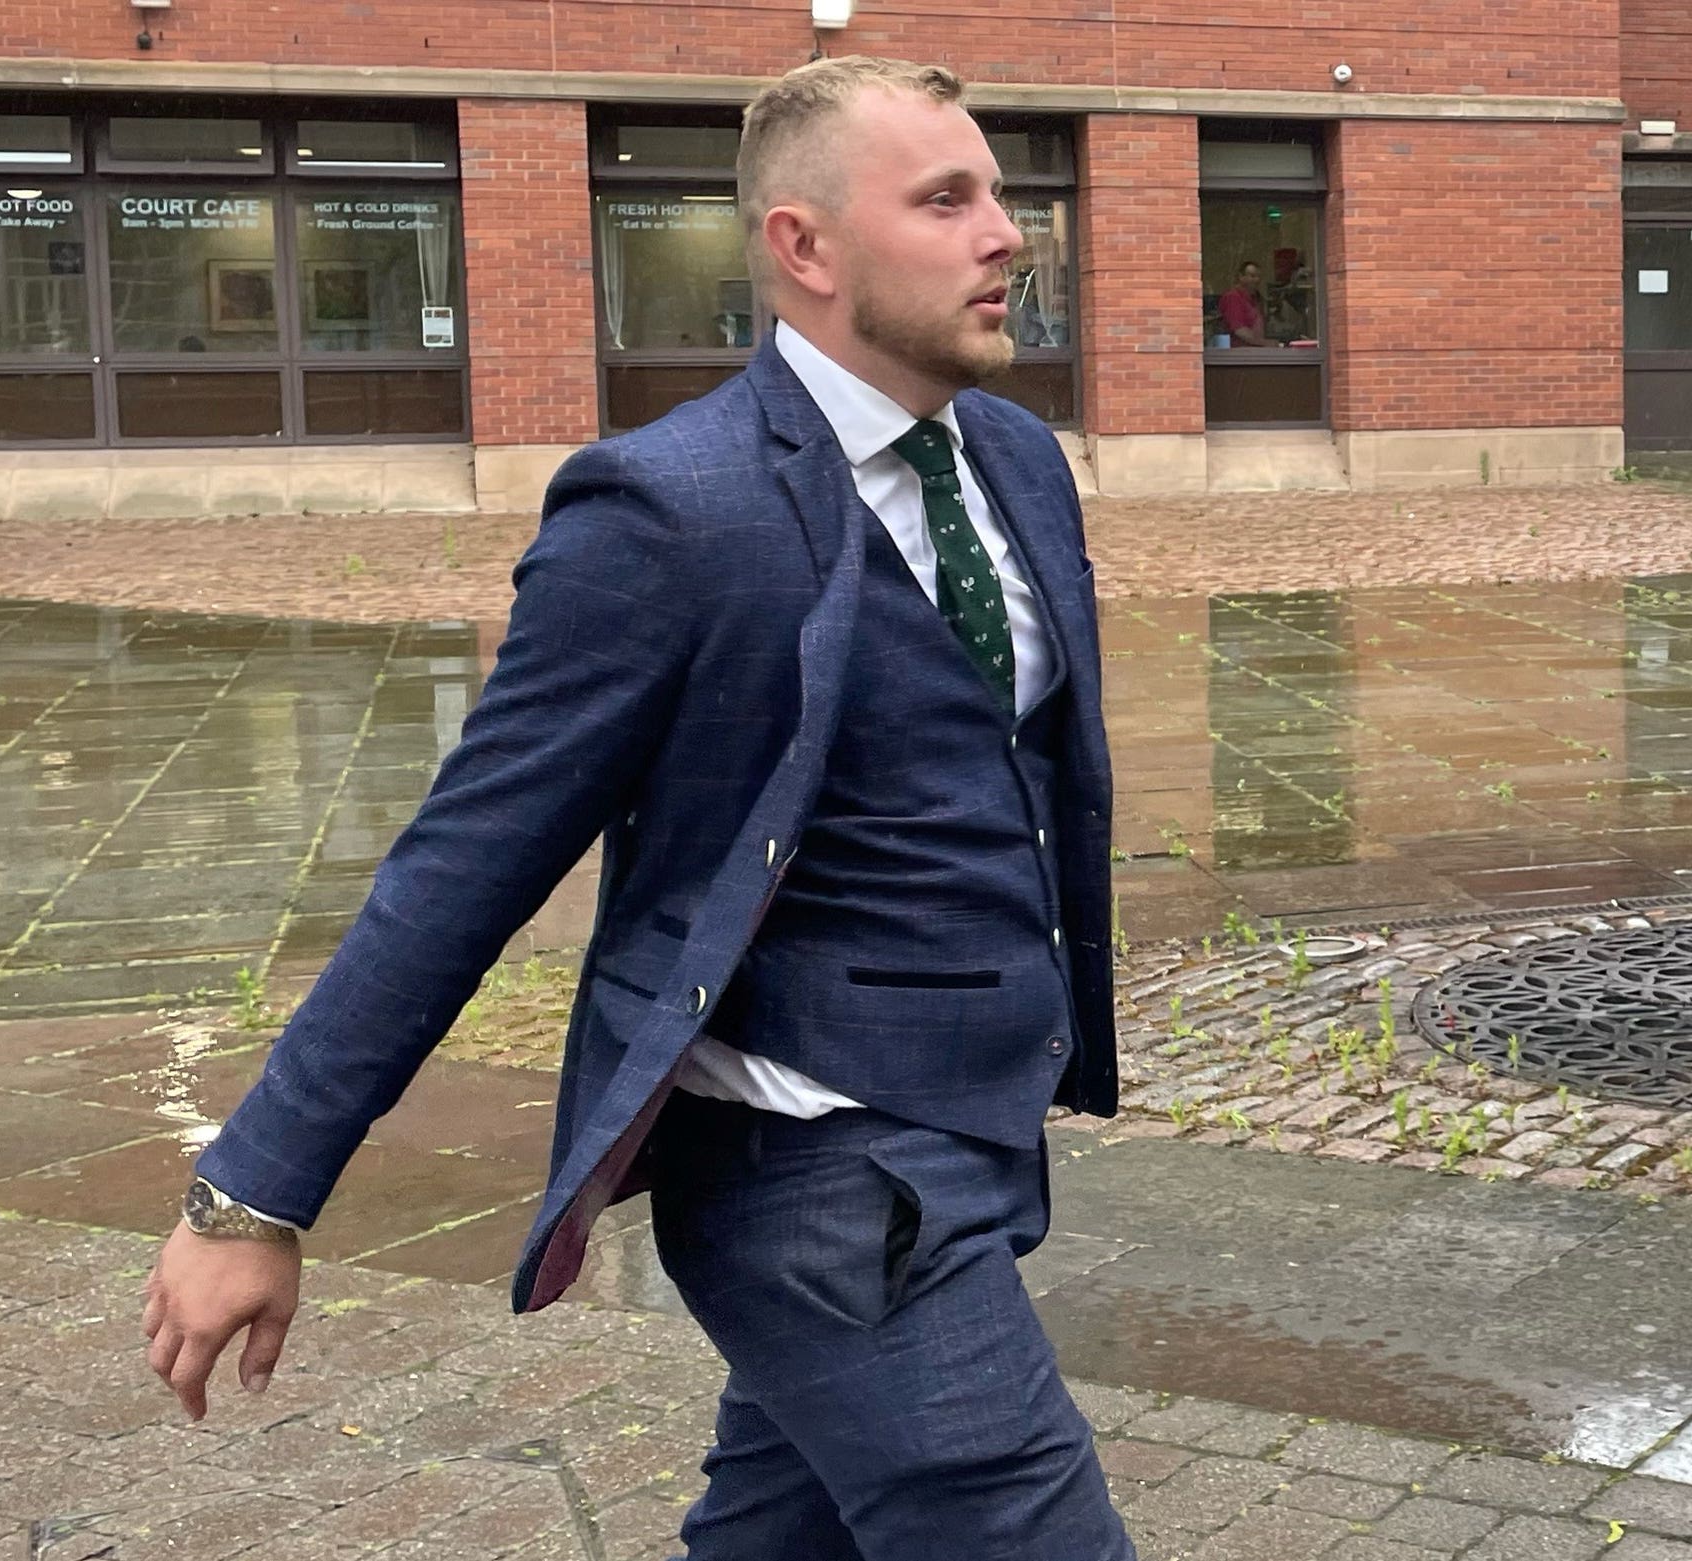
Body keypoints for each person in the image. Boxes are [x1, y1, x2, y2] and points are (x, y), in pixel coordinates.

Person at [140, 54, 1135, 1561]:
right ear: (803, 247)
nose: (1008, 230)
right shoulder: (672, 512)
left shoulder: (1010, 458)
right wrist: (252, 1195)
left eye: (999, 192)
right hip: (820, 1181)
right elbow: (468, 860)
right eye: (947, 198)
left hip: (976, 1137)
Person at [1217, 260, 1272, 346]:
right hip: (1239, 354)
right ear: (1241, 277)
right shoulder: (1233, 297)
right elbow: (1240, 330)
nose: (1257, 280)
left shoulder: (1256, 299)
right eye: (1252, 276)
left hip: (1255, 351)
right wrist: (1266, 343)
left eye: (1259, 276)